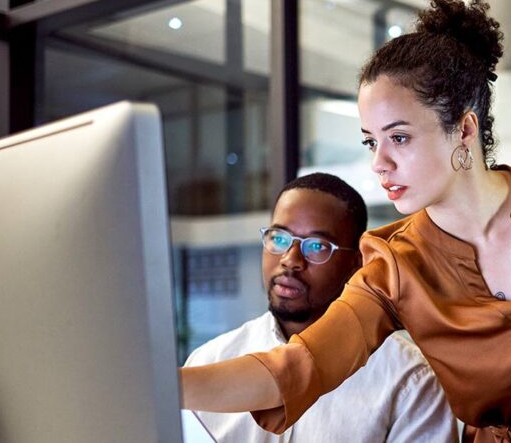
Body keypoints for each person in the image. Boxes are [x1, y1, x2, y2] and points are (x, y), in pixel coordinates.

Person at [181, 0, 511, 442]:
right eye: (370, 142)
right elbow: (297, 368)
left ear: (464, 129)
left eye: (398, 137)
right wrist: (164, 384)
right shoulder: (394, 265)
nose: (379, 163)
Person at [184, 173, 457, 442]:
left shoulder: (410, 380)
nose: (291, 260)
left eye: (316, 246)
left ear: (356, 263)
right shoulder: (209, 361)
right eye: (279, 238)